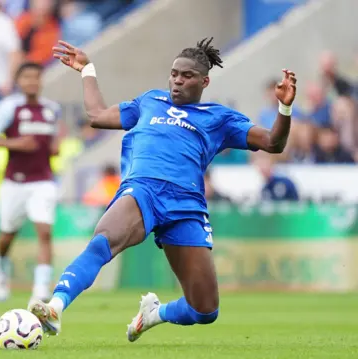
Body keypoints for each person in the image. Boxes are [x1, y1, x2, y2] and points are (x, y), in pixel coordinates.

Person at [28, 38, 297, 341]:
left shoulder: (219, 118)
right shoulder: (149, 102)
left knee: (205, 310)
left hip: (187, 207)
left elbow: (273, 143)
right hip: (144, 190)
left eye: (187, 76)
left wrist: (284, 107)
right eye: (174, 73)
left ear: (205, 81)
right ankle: (55, 306)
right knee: (104, 241)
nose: (177, 80)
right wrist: (87, 69)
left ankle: (154, 314)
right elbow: (98, 116)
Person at [0, 62, 62, 303]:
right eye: (27, 77)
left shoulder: (52, 109)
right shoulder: (9, 108)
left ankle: (41, 289)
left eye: (36, 77)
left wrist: (54, 147)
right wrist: (17, 143)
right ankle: (0, 272)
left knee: (45, 231)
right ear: (19, 81)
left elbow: (53, 137)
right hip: (14, 183)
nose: (32, 82)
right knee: (7, 236)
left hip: (43, 181)